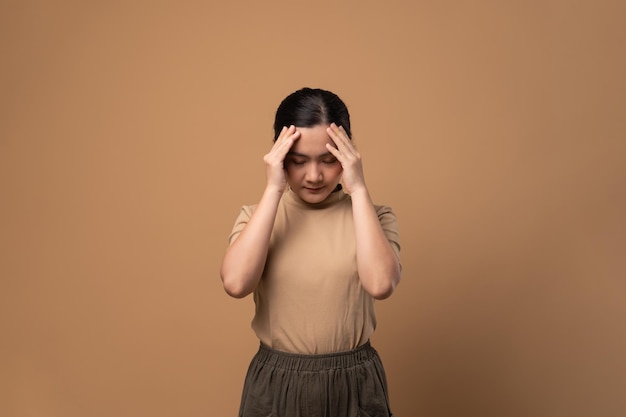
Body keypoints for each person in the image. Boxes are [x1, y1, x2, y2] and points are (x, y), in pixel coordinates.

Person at [220, 87, 401, 417]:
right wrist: (273, 188)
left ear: (348, 156)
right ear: (279, 156)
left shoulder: (375, 217)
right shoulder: (256, 217)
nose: (314, 176)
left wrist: (358, 188)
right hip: (276, 383)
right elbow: (235, 284)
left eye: (329, 161)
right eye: (298, 161)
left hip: (356, 382)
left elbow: (381, 285)